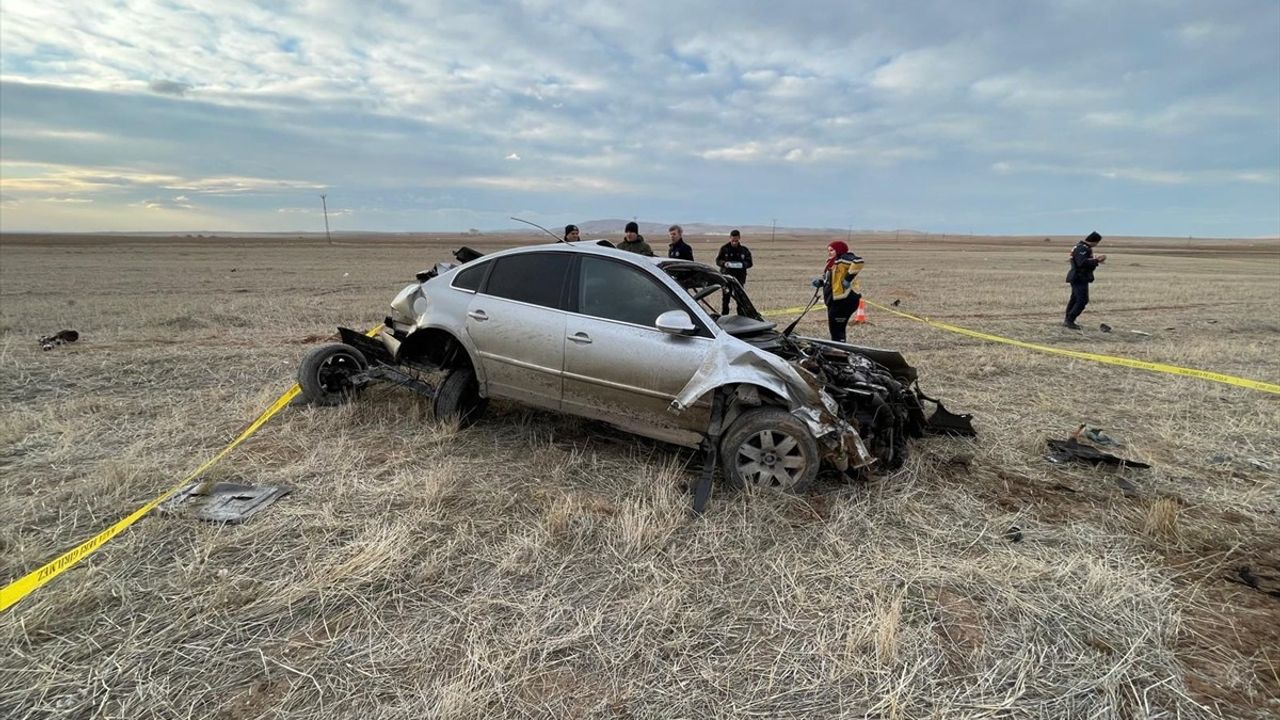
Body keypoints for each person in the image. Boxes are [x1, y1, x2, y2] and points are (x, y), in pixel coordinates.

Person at [811, 240, 864, 342]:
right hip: (834, 300)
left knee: (837, 330)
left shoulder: (844, 258)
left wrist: (848, 279)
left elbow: (859, 261)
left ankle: (841, 350)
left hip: (844, 300)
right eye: (829, 250)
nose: (829, 253)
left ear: (839, 250)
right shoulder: (833, 262)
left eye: (832, 250)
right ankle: (838, 348)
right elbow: (833, 280)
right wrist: (821, 282)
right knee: (834, 328)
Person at [1064, 231, 1106, 329]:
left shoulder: (1081, 247)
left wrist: (1094, 260)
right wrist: (1097, 260)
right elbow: (1081, 263)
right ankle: (1070, 320)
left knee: (1074, 299)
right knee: (1082, 300)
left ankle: (1068, 320)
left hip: (1080, 277)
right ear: (1094, 241)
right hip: (1079, 277)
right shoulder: (1082, 248)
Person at [715, 229, 753, 314]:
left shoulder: (744, 250)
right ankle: (724, 315)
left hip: (739, 278)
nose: (734, 243)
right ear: (730, 238)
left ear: (739, 238)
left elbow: (750, 262)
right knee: (726, 298)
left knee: (740, 298)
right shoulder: (724, 249)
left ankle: (741, 314)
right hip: (726, 278)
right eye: (733, 241)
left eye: (736, 241)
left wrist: (743, 265)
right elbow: (718, 260)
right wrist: (724, 263)